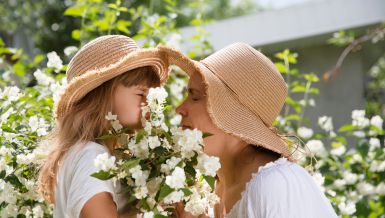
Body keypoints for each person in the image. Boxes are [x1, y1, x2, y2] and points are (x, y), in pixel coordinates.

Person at [160, 43, 338, 218]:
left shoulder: (275, 185)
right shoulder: (214, 189)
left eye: (195, 97)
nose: (180, 108)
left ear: (230, 113)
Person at [38, 35, 170, 218]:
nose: (149, 103)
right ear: (104, 96)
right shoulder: (91, 156)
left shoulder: (86, 153)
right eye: (141, 93)